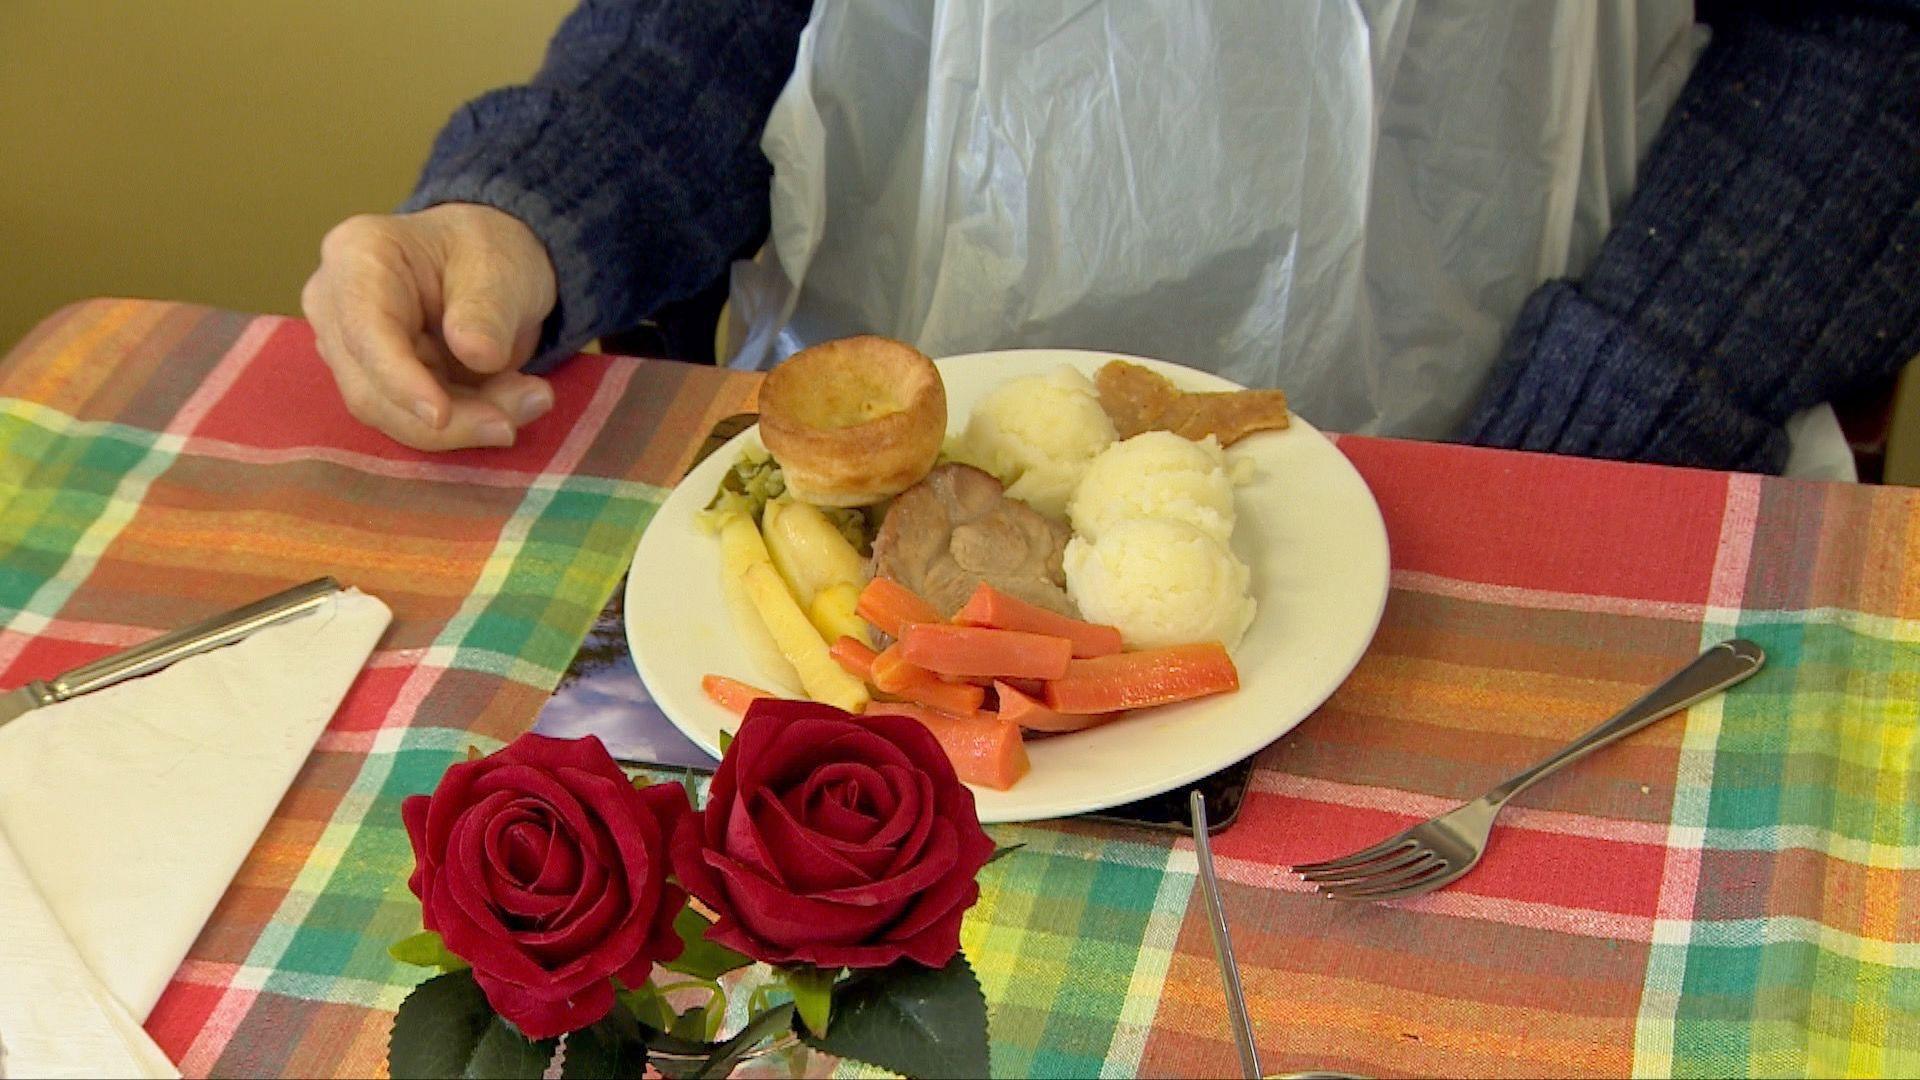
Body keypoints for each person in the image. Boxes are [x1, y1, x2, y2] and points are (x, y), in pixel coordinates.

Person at [302, 0, 1919, 474]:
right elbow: (719, 22)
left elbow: (1870, 43)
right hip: (897, 483)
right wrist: (531, 208)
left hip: (1502, 454)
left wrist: (1610, 410)